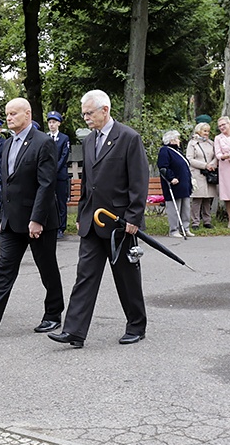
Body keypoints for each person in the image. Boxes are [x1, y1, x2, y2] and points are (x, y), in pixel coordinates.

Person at [50, 90, 148, 348]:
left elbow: (138, 181)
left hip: (119, 222)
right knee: (85, 275)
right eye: (83, 114)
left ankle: (136, 325)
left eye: (89, 113)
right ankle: (74, 331)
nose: (85, 118)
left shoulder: (128, 138)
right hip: (92, 221)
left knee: (126, 276)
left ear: (105, 110)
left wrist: (134, 216)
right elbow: (87, 183)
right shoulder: (89, 140)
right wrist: (82, 213)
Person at [0, 97, 63, 335]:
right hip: (11, 220)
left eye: (13, 114)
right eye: (7, 114)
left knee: (47, 268)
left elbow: (46, 184)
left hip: (37, 220)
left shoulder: (43, 143)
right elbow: (4, 185)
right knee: (5, 269)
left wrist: (37, 218)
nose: (8, 118)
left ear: (27, 114)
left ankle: (53, 314)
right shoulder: (7, 145)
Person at [157, 130, 194, 238]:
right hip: (173, 184)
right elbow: (163, 167)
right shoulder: (165, 150)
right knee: (174, 208)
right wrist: (171, 177)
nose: (179, 141)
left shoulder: (178, 151)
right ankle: (174, 230)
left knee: (185, 207)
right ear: (171, 140)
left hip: (184, 184)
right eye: (177, 138)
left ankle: (185, 228)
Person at [186, 122, 218, 229]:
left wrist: (212, 164)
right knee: (197, 199)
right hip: (197, 173)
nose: (206, 133)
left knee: (208, 199)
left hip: (210, 173)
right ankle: (195, 222)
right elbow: (189, 159)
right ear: (199, 131)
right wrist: (205, 165)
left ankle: (207, 221)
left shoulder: (211, 143)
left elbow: (216, 155)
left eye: (208, 131)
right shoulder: (192, 143)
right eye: (204, 131)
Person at [47, 112, 71, 238]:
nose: (52, 125)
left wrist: (55, 168)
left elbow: (64, 156)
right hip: (48, 175)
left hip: (60, 174)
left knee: (61, 201)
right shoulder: (46, 137)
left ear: (59, 123)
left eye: (54, 122)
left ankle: (61, 227)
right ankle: (51, 225)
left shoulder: (64, 138)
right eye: (50, 122)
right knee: (49, 201)